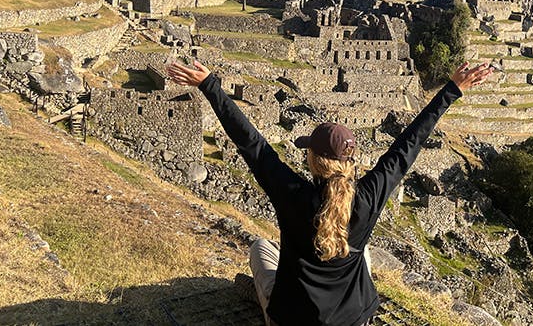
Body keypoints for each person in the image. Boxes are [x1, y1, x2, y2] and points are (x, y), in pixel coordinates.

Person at [167, 59, 494, 326]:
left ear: (312, 158)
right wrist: (451, 90)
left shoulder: (291, 192)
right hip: (354, 319)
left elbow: (252, 144)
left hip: (294, 320)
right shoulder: (367, 196)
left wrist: (210, 85)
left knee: (260, 249)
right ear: (349, 159)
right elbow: (408, 145)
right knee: (361, 250)